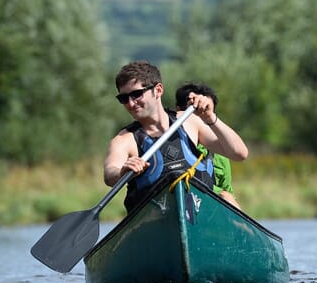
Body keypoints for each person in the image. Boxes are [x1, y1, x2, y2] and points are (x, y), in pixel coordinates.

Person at [104, 60, 249, 212]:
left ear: (158, 90)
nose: (131, 103)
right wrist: (122, 172)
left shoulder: (189, 122)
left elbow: (239, 153)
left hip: (202, 213)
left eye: (136, 94)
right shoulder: (124, 140)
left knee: (227, 198)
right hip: (154, 221)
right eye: (124, 98)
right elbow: (110, 174)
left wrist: (211, 118)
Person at [174, 81, 242, 210]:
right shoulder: (173, 142)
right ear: (178, 111)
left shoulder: (221, 152)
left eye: (205, 109)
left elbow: (227, 190)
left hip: (209, 207)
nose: (200, 114)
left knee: (226, 196)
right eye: (193, 107)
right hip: (179, 195)